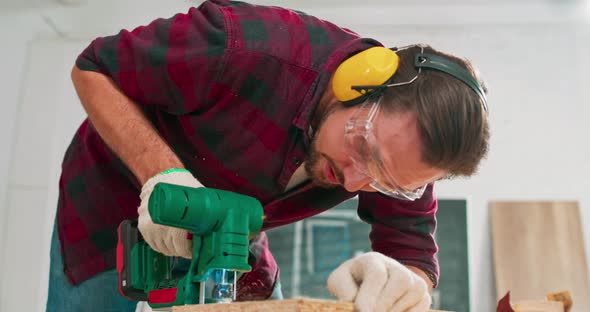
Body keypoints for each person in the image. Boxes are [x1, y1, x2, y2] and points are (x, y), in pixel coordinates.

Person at [46, 0, 489, 311]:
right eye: (361, 150)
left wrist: (406, 284)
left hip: (233, 232)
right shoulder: (240, 46)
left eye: (383, 182)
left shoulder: (400, 150)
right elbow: (94, 67)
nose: (355, 183)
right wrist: (162, 177)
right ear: (357, 83)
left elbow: (410, 248)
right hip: (108, 209)